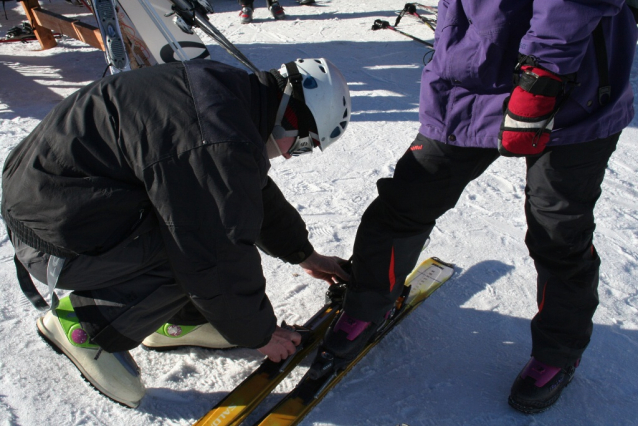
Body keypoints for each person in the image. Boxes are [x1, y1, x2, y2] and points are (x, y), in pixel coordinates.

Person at [311, 0, 637, 415]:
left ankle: (558, 351)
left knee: (558, 232)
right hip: (470, 79)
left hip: (575, 85)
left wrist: (543, 75)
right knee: (406, 198)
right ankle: (369, 302)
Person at [2, 57, 352, 408]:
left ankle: (181, 321)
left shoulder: (230, 94)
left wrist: (303, 253)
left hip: (53, 201)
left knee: (195, 215)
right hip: (55, 238)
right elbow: (214, 254)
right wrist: (260, 333)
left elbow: (245, 187)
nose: (293, 156)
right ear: (292, 116)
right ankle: (86, 324)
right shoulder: (218, 137)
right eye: (304, 145)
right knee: (193, 241)